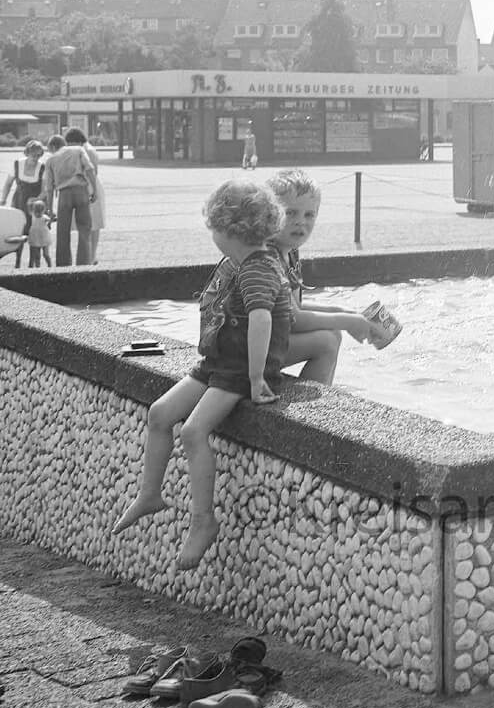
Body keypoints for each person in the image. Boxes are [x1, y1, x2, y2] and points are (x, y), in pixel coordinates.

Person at [112, 178, 292, 570]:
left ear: (230, 229)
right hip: (217, 363)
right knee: (160, 414)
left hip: (239, 371)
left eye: (213, 226)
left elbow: (262, 320)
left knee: (193, 431)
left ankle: (203, 520)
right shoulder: (239, 263)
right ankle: (149, 494)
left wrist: (258, 377)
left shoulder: (258, 269)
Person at [265, 169, 387, 383]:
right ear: (269, 214)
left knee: (332, 334)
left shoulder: (289, 252)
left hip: (260, 344)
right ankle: (312, 412)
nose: (300, 222)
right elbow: (294, 320)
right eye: (290, 213)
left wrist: (344, 312)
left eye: (309, 214)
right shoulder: (269, 258)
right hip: (245, 353)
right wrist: (348, 321)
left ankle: (323, 398)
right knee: (327, 342)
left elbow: (294, 307)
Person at [40, 134, 96, 266]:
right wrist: (94, 191)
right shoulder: (78, 150)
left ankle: (63, 264)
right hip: (81, 191)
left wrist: (49, 209)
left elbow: (49, 187)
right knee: (84, 228)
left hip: (64, 194)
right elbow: (89, 170)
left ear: (53, 146)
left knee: (62, 231)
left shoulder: (51, 160)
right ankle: (84, 263)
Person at [1, 141, 46, 267]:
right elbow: (8, 183)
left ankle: (32, 264)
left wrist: (37, 199)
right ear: (27, 153)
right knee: (18, 231)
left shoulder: (42, 167)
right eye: (33, 155)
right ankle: (17, 261)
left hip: (34, 206)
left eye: (38, 156)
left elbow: (45, 190)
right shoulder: (17, 164)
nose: (36, 158)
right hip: (18, 202)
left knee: (34, 233)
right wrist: (3, 198)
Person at [64, 128, 105, 264]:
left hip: (90, 187)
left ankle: (91, 257)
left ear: (77, 141)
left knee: (93, 224)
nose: (68, 146)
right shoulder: (81, 149)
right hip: (84, 187)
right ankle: (89, 256)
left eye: (70, 143)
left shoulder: (89, 151)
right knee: (88, 224)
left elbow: (93, 172)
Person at [25, 199, 52, 267]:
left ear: (43, 210)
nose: (38, 213)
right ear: (33, 210)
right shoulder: (32, 216)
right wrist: (29, 203)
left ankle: (49, 265)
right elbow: (29, 210)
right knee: (37, 255)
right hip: (35, 238)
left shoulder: (44, 217)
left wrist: (50, 220)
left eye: (40, 210)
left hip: (44, 238)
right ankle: (38, 267)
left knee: (46, 254)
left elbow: (50, 220)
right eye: (36, 210)